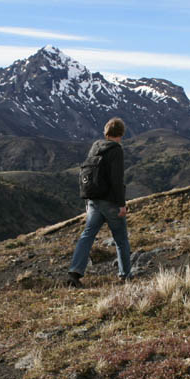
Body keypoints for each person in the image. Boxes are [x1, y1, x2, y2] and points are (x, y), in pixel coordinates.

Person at [66, 117, 132, 287]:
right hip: (110, 202)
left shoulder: (96, 146)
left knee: (87, 235)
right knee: (121, 239)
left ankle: (74, 272)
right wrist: (121, 204)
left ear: (106, 132)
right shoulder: (116, 150)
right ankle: (125, 276)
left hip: (93, 200)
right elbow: (116, 180)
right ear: (121, 133)